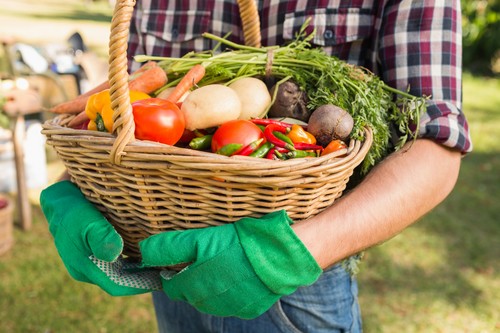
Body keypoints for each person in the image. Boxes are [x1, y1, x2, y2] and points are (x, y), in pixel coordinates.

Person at [40, 0, 472, 332]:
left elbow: (436, 144)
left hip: (296, 284)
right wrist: (74, 186)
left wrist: (285, 253)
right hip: (167, 260)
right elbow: (131, 118)